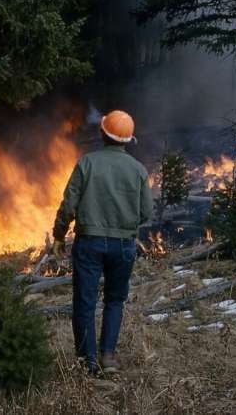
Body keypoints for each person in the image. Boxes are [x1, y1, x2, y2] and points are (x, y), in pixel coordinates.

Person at [51, 110, 153, 374]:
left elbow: (68, 205)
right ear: (129, 140)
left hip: (89, 244)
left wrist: (59, 235)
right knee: (115, 300)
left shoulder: (87, 163)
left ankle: (88, 361)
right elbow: (146, 213)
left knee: (84, 301)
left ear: (102, 133)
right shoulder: (138, 170)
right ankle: (108, 356)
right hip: (123, 246)